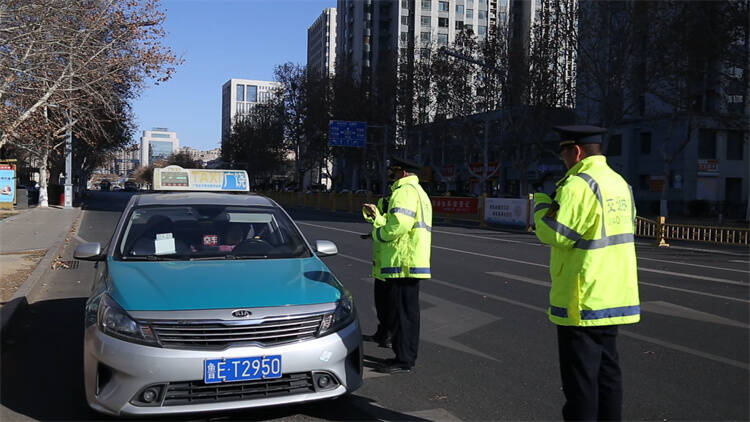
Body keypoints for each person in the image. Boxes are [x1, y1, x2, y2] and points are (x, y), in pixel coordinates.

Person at [533, 125, 640, 421]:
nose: (563, 161)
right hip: (615, 293)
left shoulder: (579, 185)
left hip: (584, 296)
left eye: (564, 154)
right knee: (608, 375)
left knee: (580, 382)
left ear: (576, 152)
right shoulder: (620, 183)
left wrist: (541, 203)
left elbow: (555, 233)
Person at [363, 157, 432, 374]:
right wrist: (377, 219)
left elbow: (399, 226)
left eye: (393, 172)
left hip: (403, 262)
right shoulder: (418, 191)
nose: (391, 176)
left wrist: (377, 233)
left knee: (404, 315)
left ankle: (404, 359)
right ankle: (404, 355)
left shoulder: (404, 191)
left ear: (401, 172)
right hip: (409, 261)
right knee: (405, 313)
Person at [361, 193, 395, 349]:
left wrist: (377, 219)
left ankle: (390, 336)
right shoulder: (384, 200)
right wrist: (371, 214)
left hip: (394, 260)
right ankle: (382, 333)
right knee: (381, 302)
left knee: (391, 304)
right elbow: (379, 223)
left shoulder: (403, 200)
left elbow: (393, 227)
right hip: (381, 260)